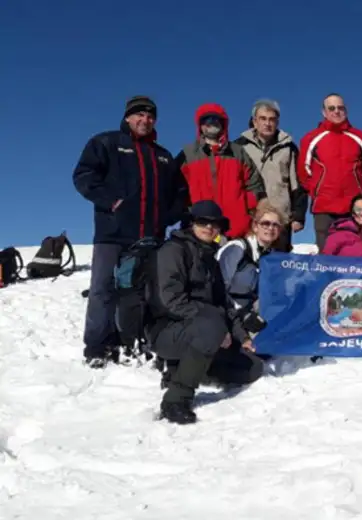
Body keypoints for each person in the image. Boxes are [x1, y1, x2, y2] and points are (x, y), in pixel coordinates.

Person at [72, 95, 188, 368]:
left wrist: (168, 217)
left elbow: (179, 193)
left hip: (150, 235)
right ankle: (97, 346)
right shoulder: (107, 143)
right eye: (139, 115)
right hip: (112, 233)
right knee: (103, 289)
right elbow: (84, 175)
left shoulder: (162, 156)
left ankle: (138, 339)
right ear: (127, 117)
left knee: (145, 291)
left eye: (150, 116)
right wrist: (111, 201)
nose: (144, 120)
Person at [147, 200, 264, 425]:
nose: (209, 228)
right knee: (211, 329)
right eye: (203, 222)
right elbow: (170, 300)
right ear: (192, 223)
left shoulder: (211, 258)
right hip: (165, 331)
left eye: (215, 224)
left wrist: (242, 337)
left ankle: (184, 370)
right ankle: (176, 400)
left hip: (202, 331)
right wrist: (215, 325)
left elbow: (226, 305)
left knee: (252, 368)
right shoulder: (172, 251)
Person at [176, 103, 266, 240]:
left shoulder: (238, 152)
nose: (211, 123)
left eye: (215, 119)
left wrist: (244, 209)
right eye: (206, 120)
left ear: (223, 124)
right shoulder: (188, 154)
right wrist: (187, 212)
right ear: (199, 125)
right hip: (200, 230)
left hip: (235, 229)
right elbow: (176, 188)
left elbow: (255, 185)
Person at [298, 93, 362, 251]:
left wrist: (359, 193)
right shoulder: (311, 138)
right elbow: (303, 171)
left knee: (355, 252)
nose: (336, 111)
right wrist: (317, 191)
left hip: (353, 208)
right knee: (327, 254)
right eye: (331, 108)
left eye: (340, 108)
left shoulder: (361, 138)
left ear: (346, 110)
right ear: (324, 112)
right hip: (324, 207)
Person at [234, 99, 307, 251]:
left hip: (280, 219)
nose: (267, 123)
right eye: (263, 119)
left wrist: (298, 216)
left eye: (272, 119)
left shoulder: (289, 148)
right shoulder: (239, 147)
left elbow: (298, 184)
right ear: (254, 121)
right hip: (249, 218)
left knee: (278, 266)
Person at [216, 199, 287, 338]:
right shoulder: (237, 248)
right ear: (255, 226)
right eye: (265, 223)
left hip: (248, 311)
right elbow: (217, 288)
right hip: (225, 311)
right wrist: (243, 314)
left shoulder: (270, 257)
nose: (270, 228)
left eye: (275, 225)